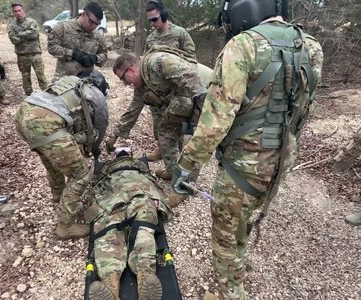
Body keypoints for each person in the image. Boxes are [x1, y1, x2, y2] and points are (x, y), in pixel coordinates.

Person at [171, 0, 324, 299]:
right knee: (246, 218)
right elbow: (305, 110)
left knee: (226, 238)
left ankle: (231, 290)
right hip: (280, 163)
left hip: (242, 169)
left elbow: (215, 121)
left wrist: (187, 166)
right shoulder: (312, 47)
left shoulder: (243, 46)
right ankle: (239, 268)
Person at [107, 47, 211, 207]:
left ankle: (184, 186)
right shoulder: (141, 83)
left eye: (123, 78)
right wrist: (115, 135)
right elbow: (133, 110)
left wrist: (200, 121)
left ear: (132, 69)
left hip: (207, 93)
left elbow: (194, 81)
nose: (125, 84)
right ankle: (173, 172)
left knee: (195, 141)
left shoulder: (159, 62)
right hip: (188, 96)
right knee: (166, 131)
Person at [14, 71, 109, 240]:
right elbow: (100, 127)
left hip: (24, 113)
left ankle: (58, 196)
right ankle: (65, 226)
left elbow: (73, 121)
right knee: (81, 173)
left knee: (51, 158)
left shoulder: (71, 82)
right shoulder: (97, 95)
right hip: (45, 123)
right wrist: (95, 148)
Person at [85, 148, 172, 300]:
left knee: (109, 232)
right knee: (144, 230)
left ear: (115, 156)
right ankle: (145, 274)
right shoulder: (140, 166)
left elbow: (93, 185)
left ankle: (110, 284)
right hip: (141, 193)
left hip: (111, 197)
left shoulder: (107, 167)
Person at [143, 0, 197, 163]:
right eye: (149, 20)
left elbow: (192, 60)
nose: (152, 24)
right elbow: (146, 61)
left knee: (175, 129)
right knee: (158, 125)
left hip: (177, 92)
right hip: (158, 93)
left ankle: (175, 159)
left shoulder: (180, 33)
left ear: (164, 15)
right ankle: (162, 149)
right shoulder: (151, 38)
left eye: (155, 19)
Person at [47, 1, 108, 79]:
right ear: (83, 14)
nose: (94, 26)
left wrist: (95, 58)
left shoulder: (97, 36)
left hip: (86, 81)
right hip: (63, 79)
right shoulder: (63, 27)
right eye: (91, 22)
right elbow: (52, 47)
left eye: (97, 24)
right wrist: (72, 54)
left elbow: (104, 54)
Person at [8, 3, 47, 96]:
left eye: (19, 10)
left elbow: (34, 34)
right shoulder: (12, 25)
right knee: (25, 78)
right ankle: (29, 96)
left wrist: (20, 34)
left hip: (35, 54)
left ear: (23, 11)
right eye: (15, 11)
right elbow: (14, 40)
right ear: (13, 12)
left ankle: (46, 95)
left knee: (41, 76)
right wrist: (26, 34)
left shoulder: (32, 22)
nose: (18, 13)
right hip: (22, 55)